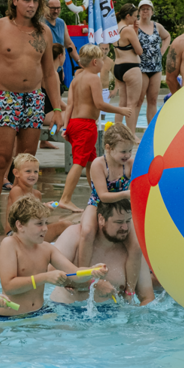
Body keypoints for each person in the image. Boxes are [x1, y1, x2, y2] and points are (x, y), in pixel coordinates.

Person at [0, 0, 63, 239]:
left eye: (36, 1)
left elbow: (49, 72)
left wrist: (56, 108)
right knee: (1, 159)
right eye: (27, 0)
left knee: (26, 162)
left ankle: (19, 222)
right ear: (14, 0)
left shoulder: (43, 31)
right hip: (6, 98)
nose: (32, 5)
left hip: (34, 99)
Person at [0, 196, 106, 322]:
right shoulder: (10, 244)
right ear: (20, 225)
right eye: (39, 224)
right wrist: (45, 277)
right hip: (10, 318)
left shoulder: (46, 248)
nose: (45, 228)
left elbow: (75, 273)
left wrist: (91, 271)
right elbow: (9, 286)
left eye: (46, 223)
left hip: (40, 313)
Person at [59, 44, 131, 213]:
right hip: (85, 125)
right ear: (94, 62)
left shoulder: (76, 79)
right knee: (79, 162)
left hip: (75, 123)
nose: (103, 64)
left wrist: (65, 126)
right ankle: (65, 198)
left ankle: (98, 194)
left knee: (92, 162)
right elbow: (99, 104)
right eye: (101, 61)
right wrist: (120, 110)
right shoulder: (93, 78)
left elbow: (69, 104)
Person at [75, 122, 141, 298]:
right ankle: (83, 277)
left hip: (121, 208)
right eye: (123, 151)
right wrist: (127, 194)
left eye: (129, 151)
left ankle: (130, 290)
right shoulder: (99, 164)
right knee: (87, 231)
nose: (126, 155)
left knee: (136, 245)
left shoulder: (130, 165)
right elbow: (103, 195)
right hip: (97, 204)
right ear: (108, 148)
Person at [51, 200, 155, 307]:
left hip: (113, 317)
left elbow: (147, 297)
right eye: (118, 222)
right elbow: (51, 274)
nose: (125, 228)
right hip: (65, 310)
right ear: (101, 219)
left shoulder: (133, 252)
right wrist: (92, 284)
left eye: (128, 221)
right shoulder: (74, 235)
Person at [6, 154, 74, 240]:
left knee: (67, 225)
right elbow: (21, 213)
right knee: (66, 225)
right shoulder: (16, 191)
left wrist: (46, 210)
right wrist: (43, 207)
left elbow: (38, 217)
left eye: (36, 172)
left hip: (32, 231)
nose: (32, 174)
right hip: (16, 233)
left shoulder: (37, 194)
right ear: (16, 173)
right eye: (28, 171)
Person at [137, 0, 171, 125]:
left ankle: (151, 130)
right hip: (141, 68)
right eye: (143, 9)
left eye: (148, 9)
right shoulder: (134, 26)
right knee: (139, 100)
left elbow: (167, 36)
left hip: (156, 67)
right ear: (139, 12)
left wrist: (162, 50)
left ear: (152, 11)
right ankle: (132, 131)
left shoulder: (157, 26)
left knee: (153, 100)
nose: (145, 11)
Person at [112, 3, 144, 134]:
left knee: (122, 104)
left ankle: (116, 133)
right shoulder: (128, 30)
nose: (136, 20)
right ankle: (131, 135)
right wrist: (135, 32)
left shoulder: (114, 28)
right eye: (135, 16)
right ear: (128, 16)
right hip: (131, 68)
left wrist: (134, 31)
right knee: (132, 104)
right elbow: (139, 51)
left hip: (118, 67)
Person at [40, 44, 68, 150]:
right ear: (60, 56)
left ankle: (44, 141)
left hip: (45, 112)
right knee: (81, 114)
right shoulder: (52, 74)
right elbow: (57, 101)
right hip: (47, 115)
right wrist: (71, 109)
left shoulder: (50, 71)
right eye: (65, 54)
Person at [42, 0, 82, 66]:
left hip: (58, 67)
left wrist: (79, 61)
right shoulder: (39, 23)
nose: (56, 11)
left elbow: (69, 44)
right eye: (53, 8)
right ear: (45, 7)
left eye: (58, 8)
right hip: (44, 68)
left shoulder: (61, 23)